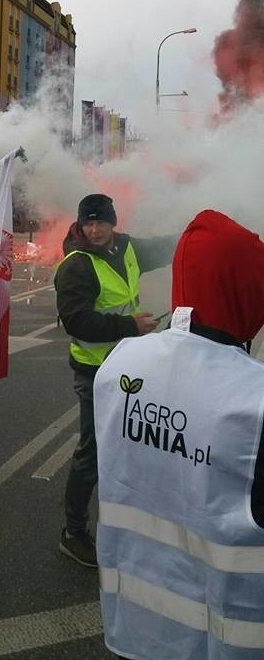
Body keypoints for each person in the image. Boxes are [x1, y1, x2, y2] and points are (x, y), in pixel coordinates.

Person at [94, 209, 264, 660]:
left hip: (137, 620)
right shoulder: (254, 398)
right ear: (245, 292)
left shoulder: (120, 364)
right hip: (230, 634)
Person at [55, 193, 176, 567]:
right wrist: (130, 326)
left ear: (113, 222)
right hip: (95, 371)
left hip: (130, 365)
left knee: (131, 446)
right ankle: (73, 532)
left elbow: (163, 248)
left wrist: (199, 232)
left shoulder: (125, 247)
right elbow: (77, 321)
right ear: (80, 224)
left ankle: (125, 524)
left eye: (101, 222)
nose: (95, 230)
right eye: (88, 223)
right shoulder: (76, 266)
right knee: (91, 453)